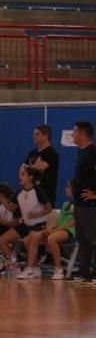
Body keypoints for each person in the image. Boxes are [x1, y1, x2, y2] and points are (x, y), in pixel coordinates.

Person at [0, 167, 52, 279]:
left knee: (29, 240)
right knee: (2, 240)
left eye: (23, 174)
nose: (20, 177)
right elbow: (12, 209)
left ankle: (31, 268)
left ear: (30, 177)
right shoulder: (19, 192)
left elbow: (49, 208)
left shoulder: (38, 191)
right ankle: (15, 265)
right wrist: (3, 201)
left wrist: (36, 214)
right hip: (25, 225)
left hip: (39, 224)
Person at [21, 182, 75, 281]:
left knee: (52, 238)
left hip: (71, 230)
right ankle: (33, 268)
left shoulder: (80, 205)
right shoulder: (65, 204)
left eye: (68, 187)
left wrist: (56, 230)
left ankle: (58, 270)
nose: (65, 189)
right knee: (30, 238)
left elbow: (73, 222)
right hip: (59, 228)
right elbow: (60, 221)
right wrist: (50, 229)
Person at [70, 121, 96, 284]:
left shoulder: (93, 152)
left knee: (94, 238)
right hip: (80, 204)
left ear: (82, 133)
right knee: (83, 240)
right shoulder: (81, 152)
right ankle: (84, 272)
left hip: (91, 206)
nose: (72, 135)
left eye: (74, 132)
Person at [22, 125, 59, 209]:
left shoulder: (51, 154)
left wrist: (31, 167)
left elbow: (35, 170)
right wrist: (33, 167)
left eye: (37, 134)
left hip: (45, 197)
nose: (34, 136)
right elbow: (22, 172)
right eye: (34, 134)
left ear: (46, 135)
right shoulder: (32, 153)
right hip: (31, 195)